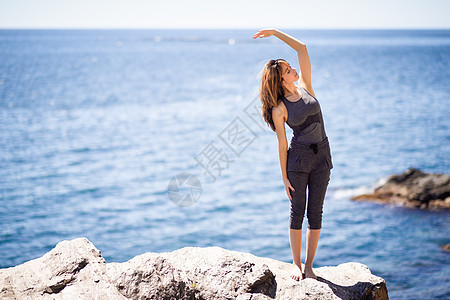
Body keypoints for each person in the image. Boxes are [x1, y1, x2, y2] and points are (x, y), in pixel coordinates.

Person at [252, 29, 333, 281]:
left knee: (316, 212)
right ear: (281, 80)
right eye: (288, 71)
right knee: (297, 211)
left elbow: (303, 49)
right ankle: (296, 265)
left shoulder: (306, 86)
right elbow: (281, 143)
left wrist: (276, 32)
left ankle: (310, 266)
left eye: (290, 68)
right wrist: (284, 178)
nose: (294, 70)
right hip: (298, 162)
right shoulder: (279, 109)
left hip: (322, 157)